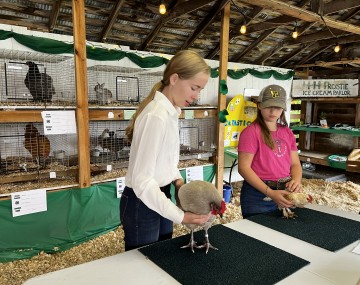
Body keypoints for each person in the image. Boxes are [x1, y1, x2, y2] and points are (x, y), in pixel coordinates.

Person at [120, 50, 212, 251]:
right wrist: (181, 216)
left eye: (200, 90)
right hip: (141, 201)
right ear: (174, 78)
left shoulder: (171, 113)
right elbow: (142, 180)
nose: (196, 96)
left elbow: (165, 161)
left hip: (159, 195)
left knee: (162, 255)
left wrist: (178, 181)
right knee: (144, 264)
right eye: (194, 88)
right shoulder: (156, 116)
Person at [237, 84, 302, 218]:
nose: (273, 112)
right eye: (268, 106)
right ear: (259, 105)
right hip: (258, 194)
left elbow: (295, 164)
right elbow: (243, 168)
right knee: (257, 234)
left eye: (277, 107)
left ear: (283, 109)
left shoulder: (287, 132)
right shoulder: (251, 132)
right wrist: (270, 193)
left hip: (285, 191)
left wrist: (296, 180)